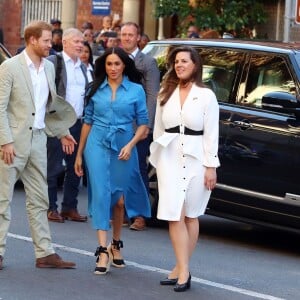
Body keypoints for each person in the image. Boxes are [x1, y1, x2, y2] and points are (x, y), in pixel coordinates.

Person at [0, 20, 77, 270]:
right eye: (46, 40)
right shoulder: (10, 67)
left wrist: (63, 132)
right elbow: (0, 107)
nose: (49, 44)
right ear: (32, 40)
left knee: (40, 199)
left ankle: (45, 253)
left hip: (39, 140)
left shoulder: (49, 68)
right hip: (12, 143)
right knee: (2, 200)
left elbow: (48, 107)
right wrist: (6, 141)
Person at [74, 47, 151, 275]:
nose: (113, 68)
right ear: (104, 66)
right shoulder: (95, 89)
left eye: (117, 64)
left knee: (118, 200)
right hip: (96, 144)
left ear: (124, 65)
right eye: (109, 64)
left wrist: (130, 144)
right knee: (100, 193)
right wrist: (79, 154)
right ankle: (102, 249)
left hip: (124, 144)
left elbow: (144, 123)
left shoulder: (136, 90)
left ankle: (116, 244)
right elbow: (87, 121)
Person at [149, 46, 220, 292]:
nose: (179, 65)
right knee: (174, 213)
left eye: (184, 61)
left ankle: (180, 268)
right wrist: (157, 159)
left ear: (195, 65)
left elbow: (211, 133)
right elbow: (158, 129)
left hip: (196, 159)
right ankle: (185, 271)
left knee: (191, 214)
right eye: (176, 61)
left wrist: (211, 166)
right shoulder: (164, 93)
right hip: (169, 158)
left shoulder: (206, 95)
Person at [120, 21, 160, 231]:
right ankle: (122, 212)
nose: (126, 38)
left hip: (138, 126)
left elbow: (152, 96)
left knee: (137, 170)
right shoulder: (115, 59)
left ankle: (140, 215)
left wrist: (146, 125)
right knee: (119, 169)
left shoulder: (148, 62)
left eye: (130, 35)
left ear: (138, 38)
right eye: (123, 34)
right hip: (117, 124)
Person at [46, 28, 88, 223]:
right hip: (57, 123)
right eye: (76, 41)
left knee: (76, 167)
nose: (80, 45)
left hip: (79, 123)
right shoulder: (55, 63)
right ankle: (50, 207)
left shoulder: (84, 67)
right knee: (53, 166)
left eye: (82, 41)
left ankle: (69, 207)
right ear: (64, 42)